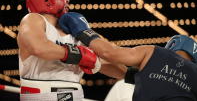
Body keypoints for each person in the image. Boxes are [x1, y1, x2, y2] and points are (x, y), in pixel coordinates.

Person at [17, 0, 127, 101]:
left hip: (75, 96)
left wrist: (135, 76)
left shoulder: (75, 34)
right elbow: (38, 47)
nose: (67, 0)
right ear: (46, 0)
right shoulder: (33, 19)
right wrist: (80, 55)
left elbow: (114, 67)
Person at [58, 12, 197, 101]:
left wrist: (82, 30)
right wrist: (93, 62)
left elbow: (110, 53)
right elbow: (127, 74)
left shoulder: (153, 52)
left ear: (171, 46)